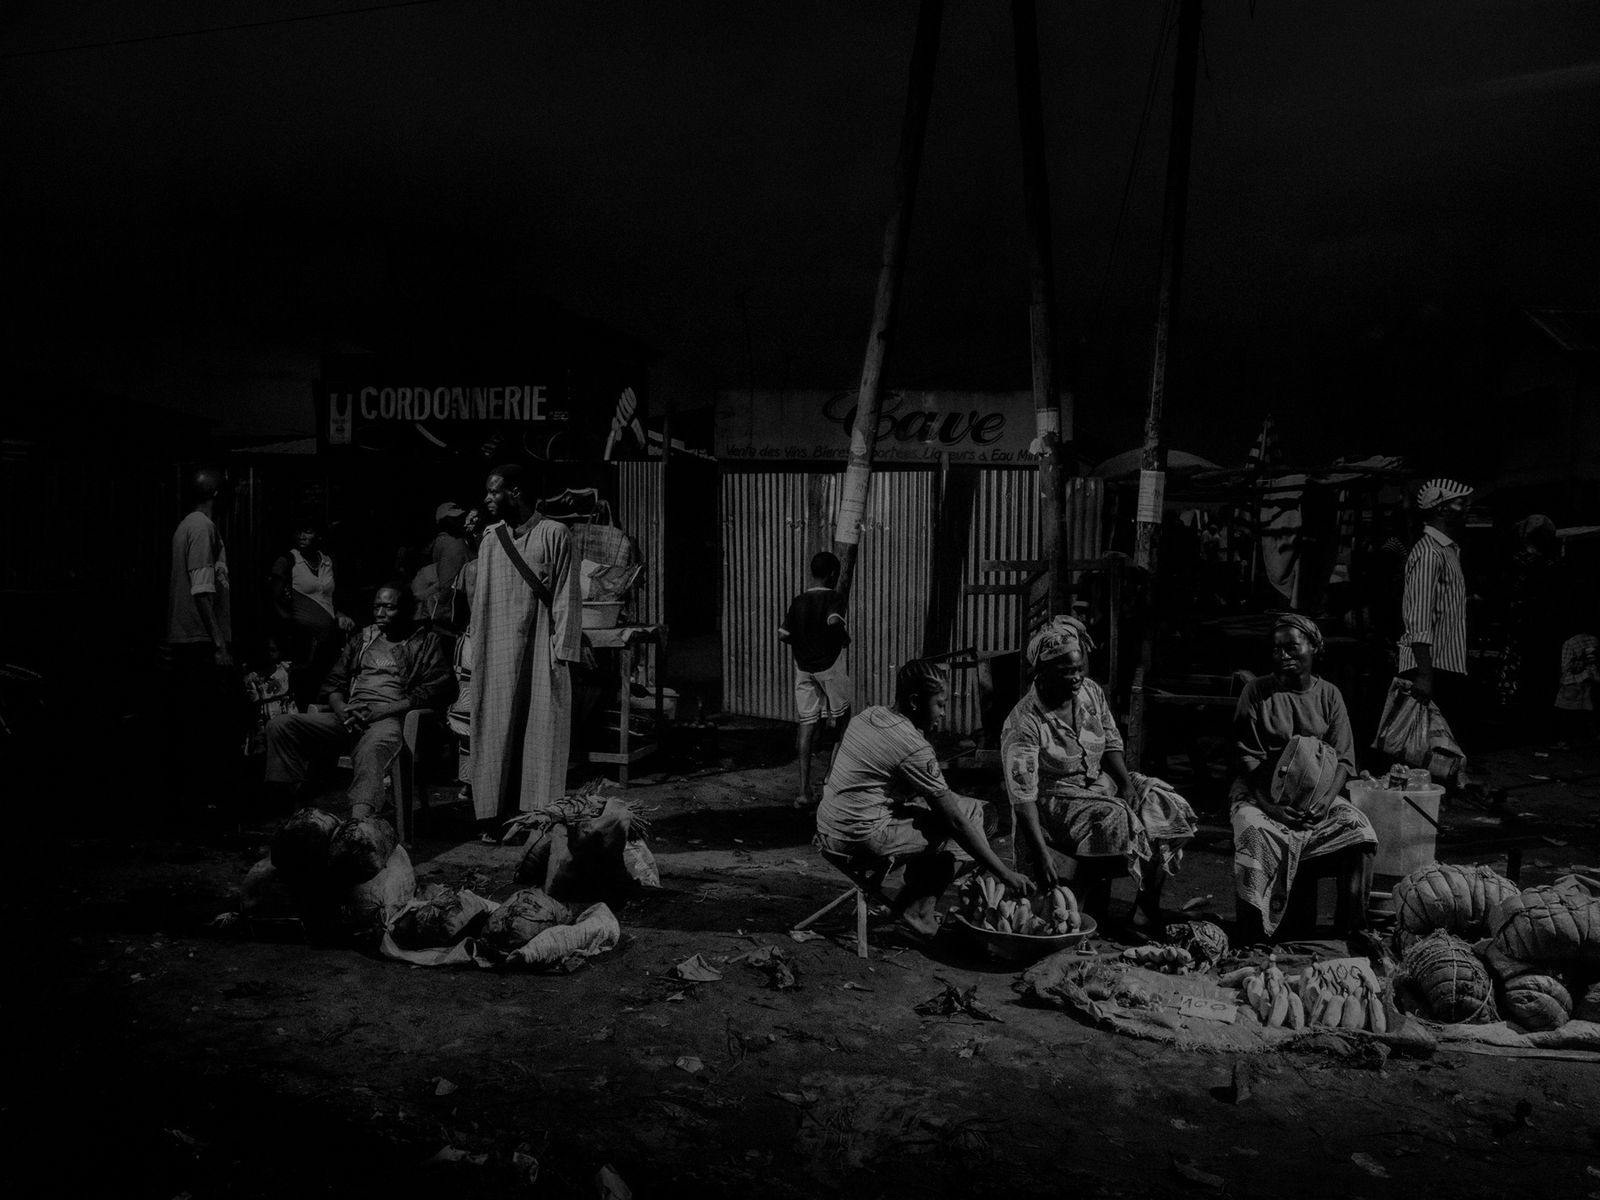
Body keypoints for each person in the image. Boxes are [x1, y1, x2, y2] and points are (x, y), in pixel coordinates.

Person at [1001, 616, 1197, 933]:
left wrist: (1126, 786)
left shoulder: (1090, 692)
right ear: (1043, 672)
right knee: (1117, 818)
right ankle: (1081, 898)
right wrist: (1040, 853)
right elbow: (1023, 799)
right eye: (1067, 671)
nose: (1077, 677)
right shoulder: (1024, 722)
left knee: (1165, 805)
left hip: (1099, 785)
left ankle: (1144, 910)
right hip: (1055, 800)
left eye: (1079, 669)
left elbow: (1111, 742)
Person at [816, 660, 1029, 937]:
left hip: (828, 828)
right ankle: (919, 910)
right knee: (971, 820)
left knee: (956, 811)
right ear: (915, 701)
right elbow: (955, 821)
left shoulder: (868, 715)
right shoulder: (913, 747)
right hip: (861, 838)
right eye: (939, 704)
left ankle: (913, 894)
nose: (943, 713)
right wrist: (1004, 873)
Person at [1229, 614, 1376, 940]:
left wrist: (1325, 802)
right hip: (1260, 796)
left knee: (1361, 832)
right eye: (1276, 649)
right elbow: (1246, 758)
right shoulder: (1257, 692)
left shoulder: (1329, 695)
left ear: (1314, 647)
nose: (1283, 655)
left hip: (1316, 799)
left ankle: (1351, 932)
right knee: (1253, 832)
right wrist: (1271, 808)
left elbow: (1344, 758)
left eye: (1292, 648)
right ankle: (1254, 936)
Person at [263, 583, 454, 819]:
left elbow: (437, 688)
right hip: (350, 716)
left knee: (373, 746)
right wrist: (342, 708)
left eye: (389, 607)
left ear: (406, 610)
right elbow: (334, 684)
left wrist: (381, 711)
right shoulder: (363, 640)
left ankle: (358, 823)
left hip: (390, 719)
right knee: (281, 725)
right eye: (376, 607)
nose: (380, 613)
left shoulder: (424, 642)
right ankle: (293, 813)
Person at [469, 464, 581, 823]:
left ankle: (538, 817)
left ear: (515, 492)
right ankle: (493, 815)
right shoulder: (491, 540)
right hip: (498, 653)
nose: (487, 498)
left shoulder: (555, 533)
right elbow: (480, 603)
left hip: (540, 652)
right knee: (496, 728)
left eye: (494, 491)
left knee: (541, 732)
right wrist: (478, 652)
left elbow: (566, 596)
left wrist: (561, 652)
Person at [166, 466, 240, 817]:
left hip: (193, 639)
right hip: (198, 641)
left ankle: (195, 801)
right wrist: (219, 643)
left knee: (196, 724)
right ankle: (202, 804)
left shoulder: (189, 526)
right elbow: (202, 590)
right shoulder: (201, 527)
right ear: (216, 494)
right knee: (205, 726)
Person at [780, 551, 852, 810]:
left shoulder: (799, 600)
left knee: (806, 723)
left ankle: (803, 792)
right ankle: (830, 781)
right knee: (844, 720)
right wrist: (844, 638)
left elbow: (783, 634)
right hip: (829, 666)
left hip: (803, 668)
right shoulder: (834, 597)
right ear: (832, 574)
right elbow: (833, 622)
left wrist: (803, 641)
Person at [1398, 478, 1473, 725]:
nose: (1467, 508)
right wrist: (1424, 675)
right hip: (1430, 667)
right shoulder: (1429, 553)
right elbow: (1419, 617)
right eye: (1460, 503)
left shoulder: (1448, 550)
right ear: (1441, 509)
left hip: (1445, 665)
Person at [267, 517, 356, 708]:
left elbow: (332, 599)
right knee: (301, 691)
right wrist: (293, 627)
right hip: (301, 643)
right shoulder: (288, 561)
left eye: (308, 531)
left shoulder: (328, 562)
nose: (302, 536)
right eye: (298, 532)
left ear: (319, 535)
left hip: (328, 641)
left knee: (324, 688)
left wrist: (340, 615)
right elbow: (273, 602)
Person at [1496, 514, 1562, 733]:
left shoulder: (1520, 564)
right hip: (1541, 630)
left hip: (1522, 629)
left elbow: (1506, 595)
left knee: (1521, 673)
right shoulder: (1552, 566)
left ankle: (1520, 716)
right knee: (1537, 674)